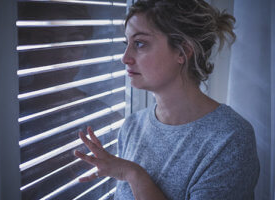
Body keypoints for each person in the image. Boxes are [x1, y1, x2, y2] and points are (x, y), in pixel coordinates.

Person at [74, 0, 260, 199]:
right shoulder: (131, 127)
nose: (125, 57)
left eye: (139, 43)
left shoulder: (230, 138)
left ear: (182, 51)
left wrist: (133, 174)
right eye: (126, 43)